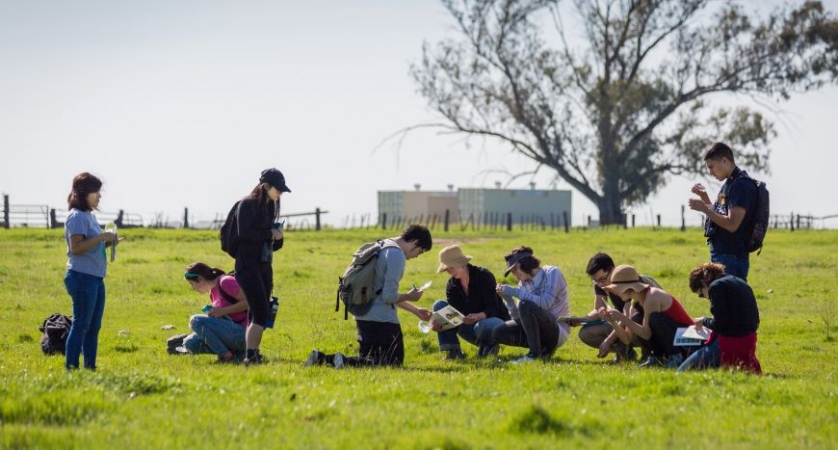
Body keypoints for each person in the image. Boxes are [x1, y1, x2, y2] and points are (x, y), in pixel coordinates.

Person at [306, 225, 433, 368]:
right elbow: (389, 297)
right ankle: (340, 360)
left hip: (363, 315)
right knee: (392, 364)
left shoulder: (382, 245)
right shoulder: (397, 255)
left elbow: (381, 292)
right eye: (419, 252)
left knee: (368, 362)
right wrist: (410, 296)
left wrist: (415, 310)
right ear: (415, 242)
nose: (416, 256)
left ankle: (321, 359)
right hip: (382, 320)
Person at [63, 172, 120, 371]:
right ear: (83, 192)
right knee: (81, 325)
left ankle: (90, 368)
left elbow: (88, 248)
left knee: (93, 327)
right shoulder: (77, 217)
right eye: (95, 191)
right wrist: (100, 237)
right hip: (82, 277)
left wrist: (106, 242)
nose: (99, 195)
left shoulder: (88, 216)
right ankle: (72, 368)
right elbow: (76, 248)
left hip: (95, 278)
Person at [233, 168, 289, 366]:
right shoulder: (247, 204)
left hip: (265, 265)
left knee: (258, 312)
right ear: (265, 186)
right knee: (261, 312)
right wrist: (269, 234)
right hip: (248, 266)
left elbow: (270, 243)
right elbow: (245, 234)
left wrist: (278, 237)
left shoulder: (269, 207)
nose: (280, 193)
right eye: (278, 189)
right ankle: (250, 356)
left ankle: (253, 353)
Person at [573, 252, 661, 363]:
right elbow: (599, 310)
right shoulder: (601, 283)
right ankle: (625, 353)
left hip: (647, 325)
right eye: (595, 281)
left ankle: (650, 354)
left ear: (612, 270)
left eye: (602, 279)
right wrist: (582, 320)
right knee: (586, 333)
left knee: (635, 318)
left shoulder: (629, 282)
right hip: (627, 324)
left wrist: (608, 341)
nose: (600, 284)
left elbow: (628, 316)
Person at [601, 265, 694, 368]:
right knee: (637, 318)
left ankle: (676, 356)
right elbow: (627, 339)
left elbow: (646, 334)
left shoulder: (652, 296)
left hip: (689, 339)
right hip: (678, 337)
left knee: (654, 318)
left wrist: (623, 318)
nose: (616, 293)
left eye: (618, 290)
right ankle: (656, 357)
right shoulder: (635, 303)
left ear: (629, 288)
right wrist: (613, 321)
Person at [688, 142, 758, 281]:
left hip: (731, 257)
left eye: (711, 167)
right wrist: (705, 198)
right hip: (723, 255)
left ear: (725, 161)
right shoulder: (729, 184)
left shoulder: (741, 185)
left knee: (730, 300)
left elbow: (732, 224)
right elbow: (719, 214)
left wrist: (703, 208)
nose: (710, 172)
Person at [677, 263, 762, 374]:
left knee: (682, 372)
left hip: (731, 342)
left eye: (701, 294)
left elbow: (720, 324)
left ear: (703, 283)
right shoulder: (737, 281)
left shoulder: (716, 287)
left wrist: (704, 321)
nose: (704, 298)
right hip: (748, 340)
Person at [430, 244, 510, 360]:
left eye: (451, 267)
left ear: (462, 263)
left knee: (481, 325)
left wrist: (479, 316)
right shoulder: (452, 286)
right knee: (439, 305)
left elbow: (494, 307)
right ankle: (453, 352)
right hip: (470, 327)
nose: (450, 272)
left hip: (493, 323)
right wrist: (441, 324)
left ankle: (490, 345)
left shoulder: (484, 276)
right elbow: (456, 317)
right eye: (447, 269)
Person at [492, 246, 570, 364]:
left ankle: (534, 355)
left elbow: (545, 303)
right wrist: (508, 299)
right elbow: (520, 319)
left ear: (524, 263)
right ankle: (543, 351)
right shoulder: (523, 284)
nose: (514, 275)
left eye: (515, 270)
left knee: (525, 304)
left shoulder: (552, 273)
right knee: (498, 332)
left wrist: (515, 292)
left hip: (558, 330)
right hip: (538, 331)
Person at [182, 262, 249, 363]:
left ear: (200, 278)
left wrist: (223, 311)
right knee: (189, 343)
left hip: (243, 333)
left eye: (192, 284)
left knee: (195, 320)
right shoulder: (212, 292)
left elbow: (250, 302)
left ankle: (226, 356)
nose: (193, 288)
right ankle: (237, 353)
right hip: (229, 333)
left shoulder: (225, 281)